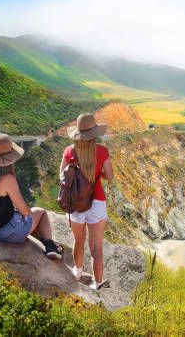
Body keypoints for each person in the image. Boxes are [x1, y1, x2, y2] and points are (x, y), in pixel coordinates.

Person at [0, 133, 61, 259]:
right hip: (7, 233)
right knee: (40, 212)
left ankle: (47, 242)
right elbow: (25, 212)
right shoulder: (7, 179)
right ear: (10, 158)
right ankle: (50, 246)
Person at [60, 113, 114, 290]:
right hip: (96, 201)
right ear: (94, 133)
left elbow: (62, 176)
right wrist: (98, 175)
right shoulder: (102, 151)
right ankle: (97, 282)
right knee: (96, 247)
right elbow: (110, 176)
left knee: (78, 240)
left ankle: (78, 272)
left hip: (75, 202)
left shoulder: (69, 151)